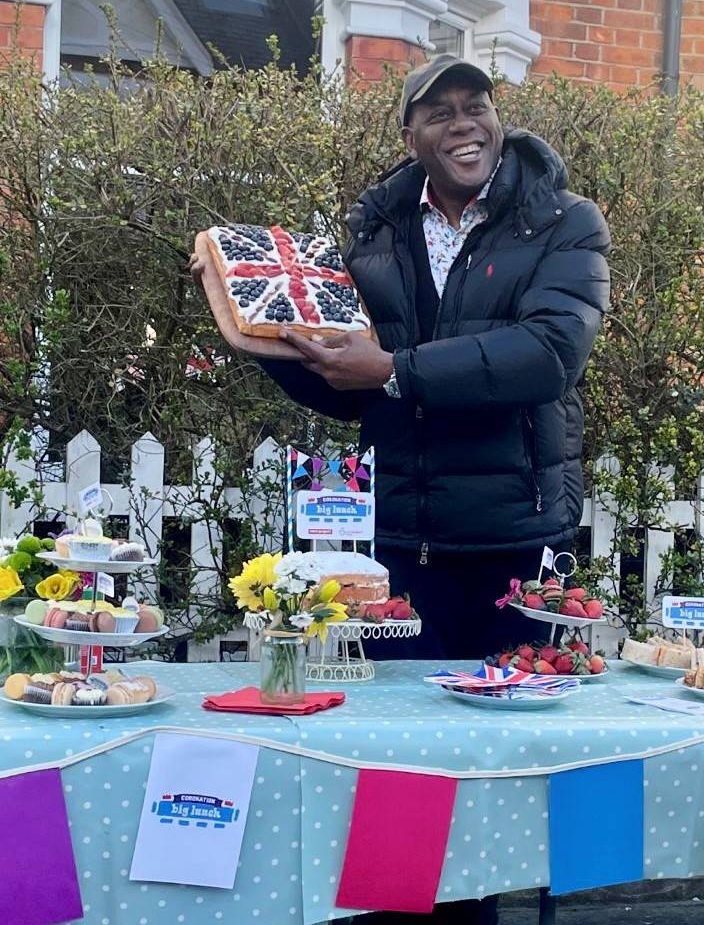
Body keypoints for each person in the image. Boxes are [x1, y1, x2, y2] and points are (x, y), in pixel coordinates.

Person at [193, 53, 609, 925]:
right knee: (398, 773)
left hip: (511, 544)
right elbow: (352, 385)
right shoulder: (376, 235)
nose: (465, 124)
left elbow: (549, 355)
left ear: (498, 120)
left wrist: (397, 368)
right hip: (402, 550)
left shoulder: (562, 223)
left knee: (500, 779)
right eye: (442, 112)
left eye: (478, 106)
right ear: (410, 134)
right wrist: (263, 339)